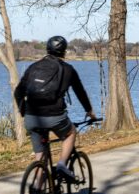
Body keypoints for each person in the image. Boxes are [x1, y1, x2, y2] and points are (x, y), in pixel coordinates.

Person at [14, 35, 97, 184]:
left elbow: (18, 92)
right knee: (71, 132)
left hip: (31, 117)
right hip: (54, 115)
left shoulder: (33, 67)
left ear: (47, 49)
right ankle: (62, 165)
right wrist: (89, 111)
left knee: (40, 157)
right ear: (64, 52)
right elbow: (80, 92)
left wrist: (23, 113)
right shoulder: (68, 69)